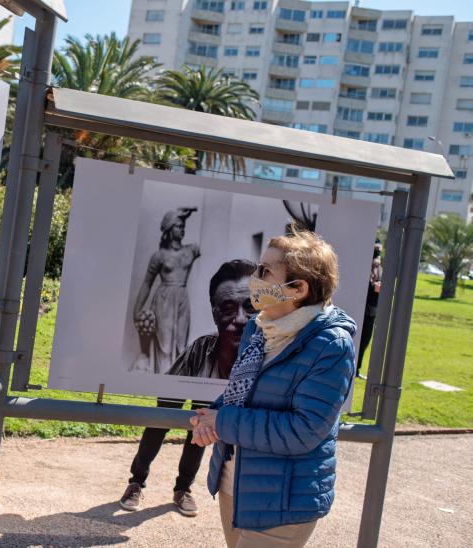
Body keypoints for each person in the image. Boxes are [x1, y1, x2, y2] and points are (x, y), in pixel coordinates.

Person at [191, 229, 355, 548]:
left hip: (284, 499)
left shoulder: (331, 345)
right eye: (258, 267)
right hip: (236, 481)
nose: (255, 277)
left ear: (297, 288)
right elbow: (244, 388)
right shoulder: (259, 325)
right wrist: (214, 414)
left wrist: (222, 422)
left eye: (265, 271)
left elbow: (304, 430)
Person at [120, 260, 257, 517]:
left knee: (200, 428)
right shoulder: (200, 349)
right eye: (228, 308)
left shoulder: (262, 353)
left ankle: (183, 489)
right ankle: (136, 482)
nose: (240, 319)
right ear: (215, 313)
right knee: (160, 421)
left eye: (250, 307)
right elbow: (165, 405)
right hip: (192, 374)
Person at [133, 207, 201, 375]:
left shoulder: (191, 250)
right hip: (164, 301)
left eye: (183, 225)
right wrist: (137, 310)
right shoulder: (159, 256)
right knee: (164, 346)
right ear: (170, 229)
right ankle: (162, 381)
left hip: (182, 299)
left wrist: (185, 213)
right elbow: (147, 283)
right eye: (178, 225)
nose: (182, 228)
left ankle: (175, 384)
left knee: (181, 346)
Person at [356, 239, 383, 379]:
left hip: (371, 310)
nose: (378, 252)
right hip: (361, 308)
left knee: (365, 340)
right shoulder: (364, 263)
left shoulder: (378, 266)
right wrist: (374, 288)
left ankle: (357, 369)